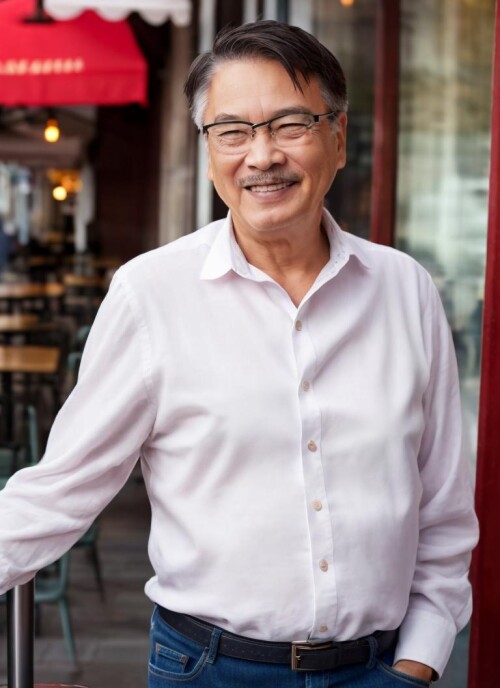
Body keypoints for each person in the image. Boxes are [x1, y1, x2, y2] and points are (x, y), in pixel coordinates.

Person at [0, 20, 478, 688]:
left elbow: (444, 512)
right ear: (208, 151)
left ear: (338, 138)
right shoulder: (152, 295)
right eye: (232, 131)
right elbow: (58, 494)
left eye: (290, 124)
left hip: (381, 668)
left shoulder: (407, 291)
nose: (261, 156)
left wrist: (418, 664)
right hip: (210, 669)